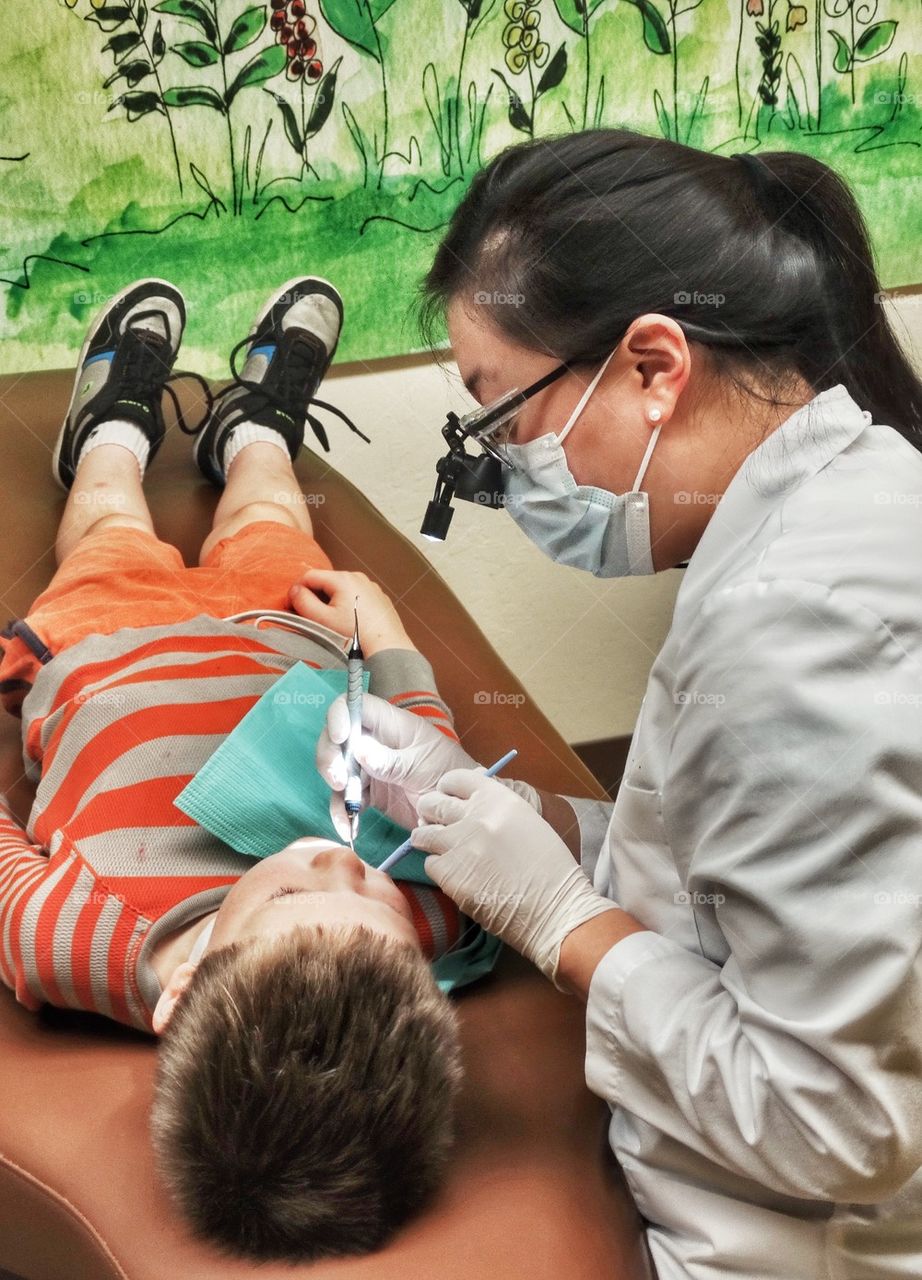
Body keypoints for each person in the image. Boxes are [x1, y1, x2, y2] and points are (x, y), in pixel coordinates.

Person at [318, 130, 922, 1280]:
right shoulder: (838, 499)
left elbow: (835, 1125)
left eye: (503, 423)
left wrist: (563, 920)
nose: (499, 473)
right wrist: (527, 817)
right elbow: (740, 868)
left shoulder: (800, 632)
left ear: (652, 368)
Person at [0, 278, 465, 1263]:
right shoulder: (426, 913)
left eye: (296, 885)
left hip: (104, 644)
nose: (340, 864)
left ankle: (111, 430)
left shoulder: (73, 937)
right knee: (270, 517)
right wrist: (379, 629)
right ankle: (256, 428)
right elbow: (419, 750)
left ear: (186, 986)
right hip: (281, 629)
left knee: (109, 527)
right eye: (378, 904)